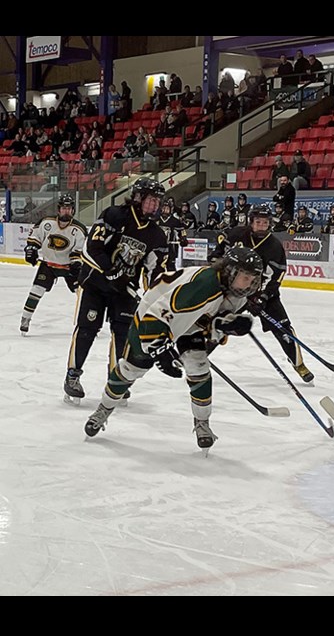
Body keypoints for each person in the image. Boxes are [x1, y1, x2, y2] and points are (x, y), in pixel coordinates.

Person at [82, 247, 265, 452]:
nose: (249, 284)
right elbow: (156, 316)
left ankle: (202, 423)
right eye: (245, 277)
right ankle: (103, 410)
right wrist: (160, 350)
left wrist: (225, 325)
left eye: (252, 279)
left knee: (199, 366)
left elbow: (207, 318)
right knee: (132, 369)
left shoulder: (235, 293)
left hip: (188, 323)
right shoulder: (204, 285)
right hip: (151, 320)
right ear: (230, 271)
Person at [64, 177, 170, 404]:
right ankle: (72, 375)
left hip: (124, 291)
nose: (154, 206)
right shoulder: (115, 215)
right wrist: (111, 272)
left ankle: (116, 381)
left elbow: (155, 272)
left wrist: (157, 297)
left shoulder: (156, 235)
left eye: (157, 202)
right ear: (139, 197)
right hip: (95, 285)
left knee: (123, 334)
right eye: (151, 200)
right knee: (87, 328)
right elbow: (92, 248)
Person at [208, 205, 315, 383]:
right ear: (251, 222)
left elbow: (276, 277)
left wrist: (263, 297)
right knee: (219, 322)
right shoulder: (237, 234)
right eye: (258, 222)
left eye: (265, 223)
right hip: (234, 293)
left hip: (262, 295)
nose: (262, 226)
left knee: (283, 329)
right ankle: (200, 354)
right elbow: (216, 256)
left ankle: (299, 364)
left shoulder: (275, 246)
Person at [20, 195, 87, 335]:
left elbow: (79, 250)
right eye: (63, 208)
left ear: (73, 210)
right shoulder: (46, 223)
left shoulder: (79, 229)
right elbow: (35, 238)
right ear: (58, 210)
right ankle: (25, 319)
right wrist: (31, 249)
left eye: (69, 209)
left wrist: (76, 262)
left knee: (83, 294)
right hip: (48, 265)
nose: (66, 211)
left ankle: (88, 324)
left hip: (69, 267)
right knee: (36, 290)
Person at [157, 197, 189, 271]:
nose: (165, 211)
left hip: (171, 248)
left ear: (171, 210)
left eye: (167, 209)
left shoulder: (175, 221)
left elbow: (182, 230)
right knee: (157, 267)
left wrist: (183, 238)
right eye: (164, 208)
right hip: (157, 248)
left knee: (171, 267)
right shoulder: (156, 220)